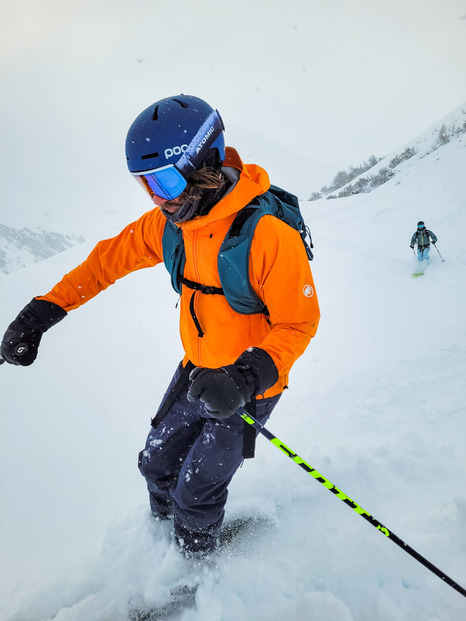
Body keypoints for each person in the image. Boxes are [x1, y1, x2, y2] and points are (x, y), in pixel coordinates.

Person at [1, 95, 320, 559]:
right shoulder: (171, 225)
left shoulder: (269, 236)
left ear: (205, 163)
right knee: (156, 465)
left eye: (165, 181)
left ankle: (194, 566)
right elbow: (103, 263)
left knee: (197, 491)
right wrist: (43, 312)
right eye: (145, 185)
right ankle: (163, 548)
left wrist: (246, 377)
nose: (158, 199)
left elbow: (299, 322)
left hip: (247, 385)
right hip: (197, 367)